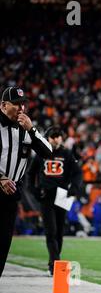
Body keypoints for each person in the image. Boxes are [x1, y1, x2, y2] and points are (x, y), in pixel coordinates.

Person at [0, 86, 53, 277]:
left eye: (24, 104)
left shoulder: (26, 129)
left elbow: (48, 152)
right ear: (3, 105)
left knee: (3, 246)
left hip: (11, 194)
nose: (21, 109)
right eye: (16, 104)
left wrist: (31, 129)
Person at [26, 126, 82, 276]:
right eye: (54, 136)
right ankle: (56, 264)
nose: (57, 139)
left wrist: (74, 187)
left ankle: (54, 262)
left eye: (59, 136)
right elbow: (30, 175)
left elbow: (78, 173)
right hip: (47, 196)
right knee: (51, 231)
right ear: (48, 138)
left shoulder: (67, 154)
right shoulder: (41, 153)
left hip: (62, 196)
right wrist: (34, 190)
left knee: (59, 232)